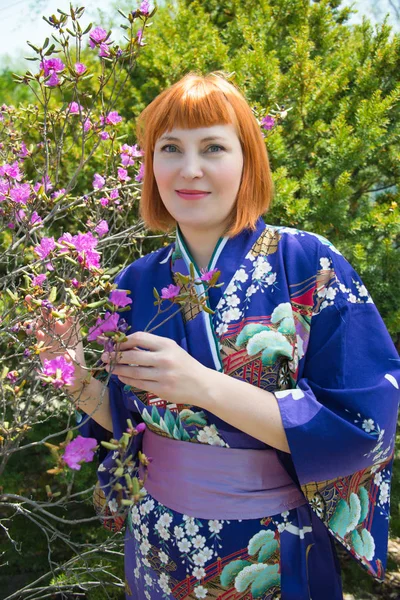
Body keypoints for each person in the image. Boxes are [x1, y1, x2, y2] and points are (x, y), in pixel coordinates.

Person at [37, 72, 400, 600]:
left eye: (213, 147)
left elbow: (362, 424)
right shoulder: (135, 283)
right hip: (159, 544)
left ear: (247, 159)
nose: (189, 169)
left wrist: (202, 385)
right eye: (170, 149)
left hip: (268, 547)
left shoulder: (308, 264)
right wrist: (77, 383)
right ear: (151, 165)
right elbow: (131, 426)